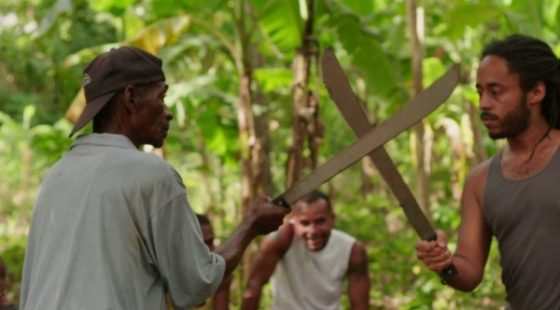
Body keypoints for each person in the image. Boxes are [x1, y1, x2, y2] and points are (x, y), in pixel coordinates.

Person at [19, 46, 289, 310]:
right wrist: (251, 225)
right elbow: (195, 286)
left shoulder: (56, 175)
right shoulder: (152, 175)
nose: (167, 111)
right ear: (131, 98)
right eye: (161, 97)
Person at [415, 34, 560, 309]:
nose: (484, 104)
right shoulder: (480, 181)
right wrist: (445, 264)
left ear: (536, 92)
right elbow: (468, 271)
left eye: (496, 91)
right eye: (480, 91)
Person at [241, 190, 370, 310]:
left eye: (320, 222)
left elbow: (360, 304)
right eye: (304, 223)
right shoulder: (282, 239)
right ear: (294, 222)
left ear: (332, 218)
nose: (312, 231)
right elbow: (253, 287)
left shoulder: (351, 250)